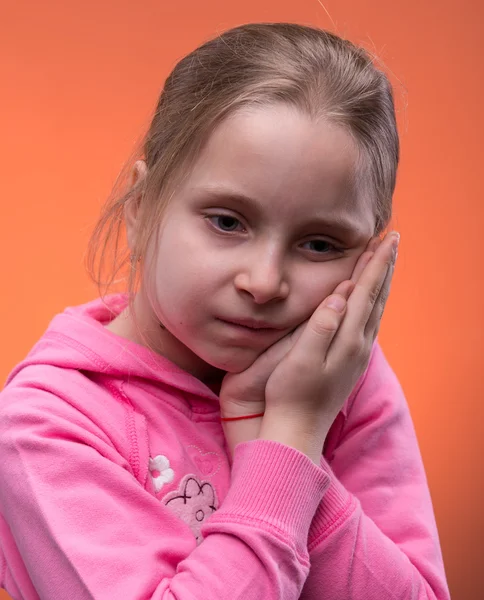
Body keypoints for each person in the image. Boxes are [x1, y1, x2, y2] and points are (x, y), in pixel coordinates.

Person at [0, 22, 450, 600]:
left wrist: (293, 420)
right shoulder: (46, 425)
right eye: (227, 221)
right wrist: (289, 437)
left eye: (320, 244)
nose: (264, 283)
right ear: (142, 210)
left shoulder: (337, 376)